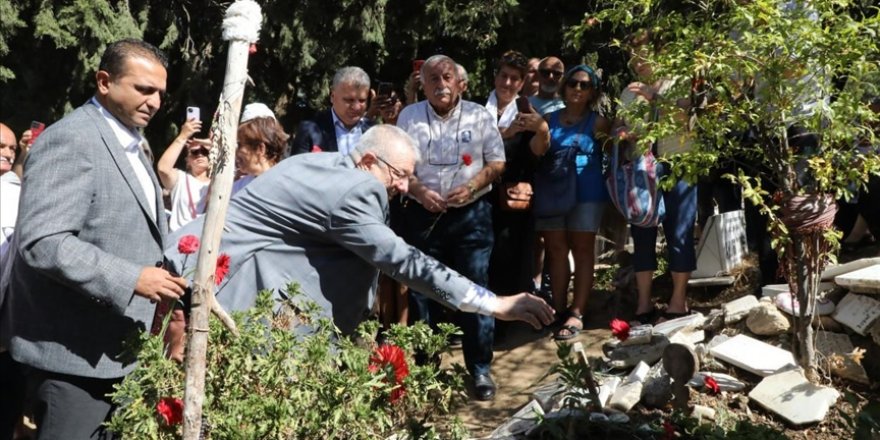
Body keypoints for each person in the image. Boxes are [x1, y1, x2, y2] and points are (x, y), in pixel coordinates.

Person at [164, 124, 553, 337]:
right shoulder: (357, 187)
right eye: (400, 175)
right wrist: (492, 303)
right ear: (369, 160)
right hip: (216, 288)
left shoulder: (320, 165)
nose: (403, 187)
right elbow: (402, 260)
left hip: (201, 271)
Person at [0, 39, 187, 439]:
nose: (154, 102)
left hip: (117, 354)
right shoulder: (73, 138)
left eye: (160, 94)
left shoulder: (134, 143)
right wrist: (131, 278)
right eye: (144, 89)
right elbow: (42, 241)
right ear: (104, 81)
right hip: (72, 359)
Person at [396, 54, 506, 401]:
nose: (440, 84)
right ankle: (427, 369)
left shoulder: (480, 115)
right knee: (421, 291)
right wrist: (419, 190)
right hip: (422, 214)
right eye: (432, 79)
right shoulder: (409, 117)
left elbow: (498, 162)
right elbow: (398, 167)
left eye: (446, 77)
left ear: (460, 82)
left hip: (471, 215)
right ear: (422, 84)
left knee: (475, 289)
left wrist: (472, 187)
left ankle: (480, 369)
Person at [615, 37, 697, 323]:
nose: (638, 59)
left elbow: (692, 115)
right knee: (642, 234)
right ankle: (643, 303)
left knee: (680, 231)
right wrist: (621, 133)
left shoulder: (681, 79)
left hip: (679, 163)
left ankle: (677, 301)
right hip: (641, 170)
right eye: (633, 54)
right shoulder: (628, 91)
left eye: (644, 53)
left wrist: (657, 97)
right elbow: (618, 125)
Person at [538, 65, 611, 340]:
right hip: (554, 192)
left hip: (588, 192)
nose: (577, 89)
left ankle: (577, 312)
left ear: (592, 91)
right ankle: (557, 310)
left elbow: (611, 154)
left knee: (582, 251)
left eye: (584, 85)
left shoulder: (599, 123)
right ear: (564, 87)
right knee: (556, 250)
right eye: (573, 84)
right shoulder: (548, 118)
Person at [484, 51, 550, 298]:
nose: (507, 83)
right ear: (496, 77)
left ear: (522, 83)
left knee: (515, 258)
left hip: (514, 200)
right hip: (481, 197)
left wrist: (542, 130)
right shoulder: (477, 109)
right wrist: (506, 133)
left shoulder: (526, 111)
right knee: (482, 260)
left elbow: (537, 152)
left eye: (514, 79)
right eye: (504, 76)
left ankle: (511, 322)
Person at [290, 66, 373, 155]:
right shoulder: (310, 129)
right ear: (333, 96)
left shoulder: (373, 130)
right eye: (349, 100)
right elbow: (297, 167)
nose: (356, 107)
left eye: (362, 101)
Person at [157, 115, 206, 231]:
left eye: (205, 151)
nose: (200, 154)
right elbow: (163, 169)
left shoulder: (221, 181)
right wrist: (183, 136)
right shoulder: (181, 179)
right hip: (180, 242)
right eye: (194, 152)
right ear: (187, 161)